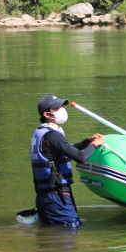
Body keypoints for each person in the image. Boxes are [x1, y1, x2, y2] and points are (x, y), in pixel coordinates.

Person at [31, 95, 105, 227]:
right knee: (69, 232)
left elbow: (66, 151)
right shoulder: (52, 135)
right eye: (56, 108)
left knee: (54, 234)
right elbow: (80, 157)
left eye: (62, 107)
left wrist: (87, 142)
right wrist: (94, 145)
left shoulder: (43, 132)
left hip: (46, 196)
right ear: (46, 114)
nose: (62, 110)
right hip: (56, 196)